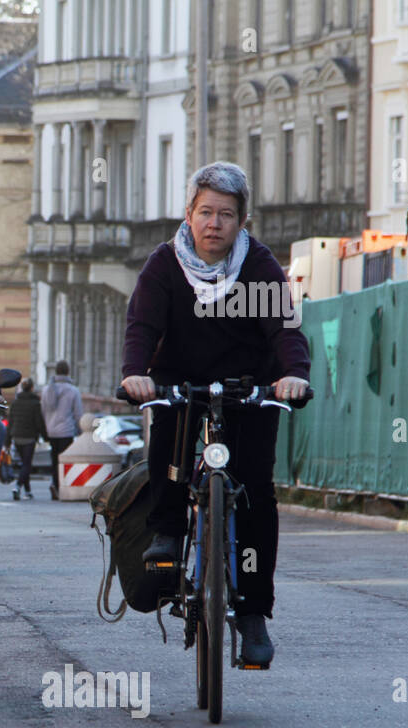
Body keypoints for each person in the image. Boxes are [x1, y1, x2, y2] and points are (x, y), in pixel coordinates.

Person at [120, 161, 310, 666]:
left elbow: (285, 329)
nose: (215, 224)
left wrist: (293, 376)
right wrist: (136, 373)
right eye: (206, 212)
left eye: (227, 214)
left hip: (249, 387)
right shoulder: (165, 265)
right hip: (182, 385)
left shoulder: (260, 265)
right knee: (169, 440)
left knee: (255, 492)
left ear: (242, 221)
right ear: (188, 214)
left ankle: (251, 615)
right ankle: (167, 531)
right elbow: (141, 324)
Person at [41, 360, 82, 500]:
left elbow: (43, 411)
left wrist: (46, 429)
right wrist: (81, 430)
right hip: (67, 431)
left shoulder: (46, 390)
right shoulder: (73, 390)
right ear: (67, 372)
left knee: (54, 460)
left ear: (56, 371)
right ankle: (63, 487)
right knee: (64, 461)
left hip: (51, 431)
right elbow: (78, 414)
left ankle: (55, 484)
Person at [7, 377, 46, 500]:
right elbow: (39, 422)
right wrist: (45, 436)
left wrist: (7, 441)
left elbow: (10, 422)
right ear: (32, 388)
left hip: (16, 437)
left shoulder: (15, 402)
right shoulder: (35, 403)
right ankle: (17, 486)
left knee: (25, 464)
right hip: (29, 438)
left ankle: (28, 491)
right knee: (27, 464)